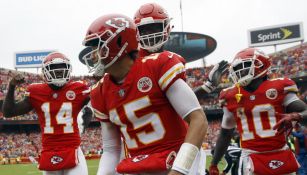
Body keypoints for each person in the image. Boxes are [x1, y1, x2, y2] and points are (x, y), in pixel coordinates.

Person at [81, 13, 207, 175]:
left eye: (96, 47)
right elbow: (111, 149)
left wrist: (179, 170)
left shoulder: (158, 66)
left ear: (118, 44)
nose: (92, 55)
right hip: (140, 167)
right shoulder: (99, 92)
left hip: (177, 161)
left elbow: (198, 120)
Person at [209, 48, 307, 175]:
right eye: (237, 68)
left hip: (281, 153)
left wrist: (296, 115)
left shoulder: (278, 87)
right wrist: (214, 163)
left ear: (260, 66)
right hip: (251, 157)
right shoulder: (231, 95)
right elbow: (225, 133)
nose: (240, 71)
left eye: (245, 66)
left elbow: (305, 112)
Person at [2, 52, 91, 175]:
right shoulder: (36, 91)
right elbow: (8, 112)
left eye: (62, 67)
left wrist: (85, 123)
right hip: (49, 151)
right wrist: (11, 86)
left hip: (73, 148)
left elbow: (97, 105)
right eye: (54, 68)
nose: (59, 71)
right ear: (45, 71)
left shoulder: (79, 89)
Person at [133, 3, 228, 97]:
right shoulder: (130, 61)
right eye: (143, 30)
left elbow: (182, 101)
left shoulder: (173, 60)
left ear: (167, 28)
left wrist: (209, 86)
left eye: (154, 28)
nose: (149, 34)